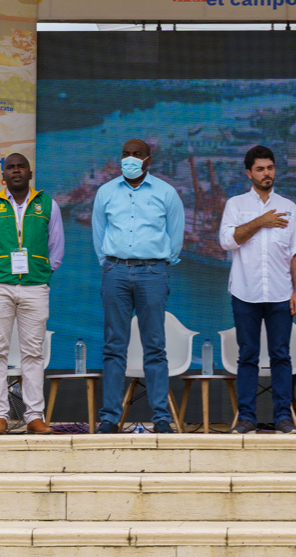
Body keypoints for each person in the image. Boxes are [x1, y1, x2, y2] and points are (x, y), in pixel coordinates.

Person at [92, 139, 185, 434]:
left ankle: (160, 418)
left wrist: (160, 263)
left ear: (148, 160)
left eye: (136, 155)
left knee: (155, 347)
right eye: (125, 154)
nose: (129, 159)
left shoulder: (166, 193)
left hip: (152, 273)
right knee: (113, 347)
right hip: (115, 272)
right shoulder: (105, 192)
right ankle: (109, 417)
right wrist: (107, 264)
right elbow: (99, 234)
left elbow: (176, 235)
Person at [0, 153, 65, 435]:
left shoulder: (48, 204)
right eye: (10, 167)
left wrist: (43, 272)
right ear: (3, 175)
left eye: (20, 166)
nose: (16, 171)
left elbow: (56, 248)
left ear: (30, 173)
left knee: (33, 353)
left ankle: (34, 416)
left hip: (35, 286)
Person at [219, 146, 296, 434]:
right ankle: (247, 418)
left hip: (282, 293)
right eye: (260, 168)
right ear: (249, 173)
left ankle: (283, 417)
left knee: (282, 355)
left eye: (270, 167)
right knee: (248, 355)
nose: (266, 173)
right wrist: (261, 221)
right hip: (245, 292)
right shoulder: (235, 205)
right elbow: (227, 241)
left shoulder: (290, 207)